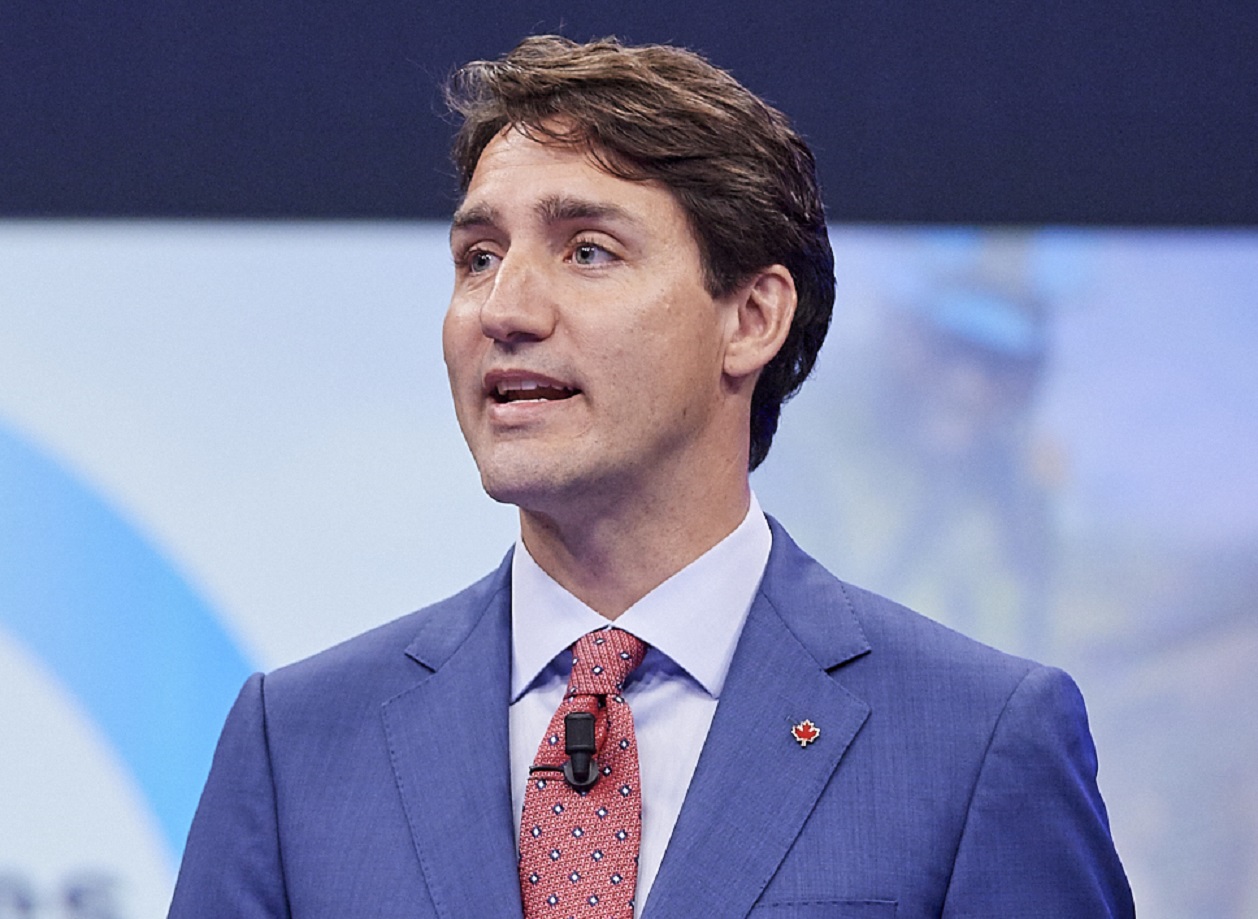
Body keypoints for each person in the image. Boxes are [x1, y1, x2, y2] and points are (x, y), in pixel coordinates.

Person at [168, 35, 1134, 918]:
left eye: (588, 250)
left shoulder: (977, 743)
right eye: (478, 256)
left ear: (751, 318)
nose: (504, 308)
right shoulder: (294, 747)